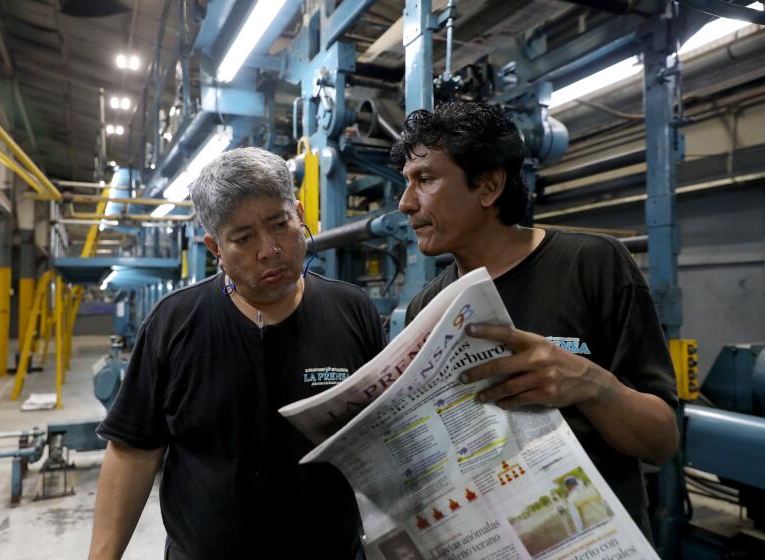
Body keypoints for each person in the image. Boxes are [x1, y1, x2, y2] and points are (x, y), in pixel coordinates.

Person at [391, 101, 678, 540]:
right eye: (406, 183)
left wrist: (590, 383)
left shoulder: (593, 265)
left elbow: (661, 441)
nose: (406, 203)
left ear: (488, 186)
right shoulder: (428, 308)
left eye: (425, 180)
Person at [89, 147, 386, 559]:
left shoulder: (353, 311)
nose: (270, 250)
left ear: (299, 214)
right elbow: (133, 450)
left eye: (280, 224)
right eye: (244, 239)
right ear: (215, 247)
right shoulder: (174, 324)